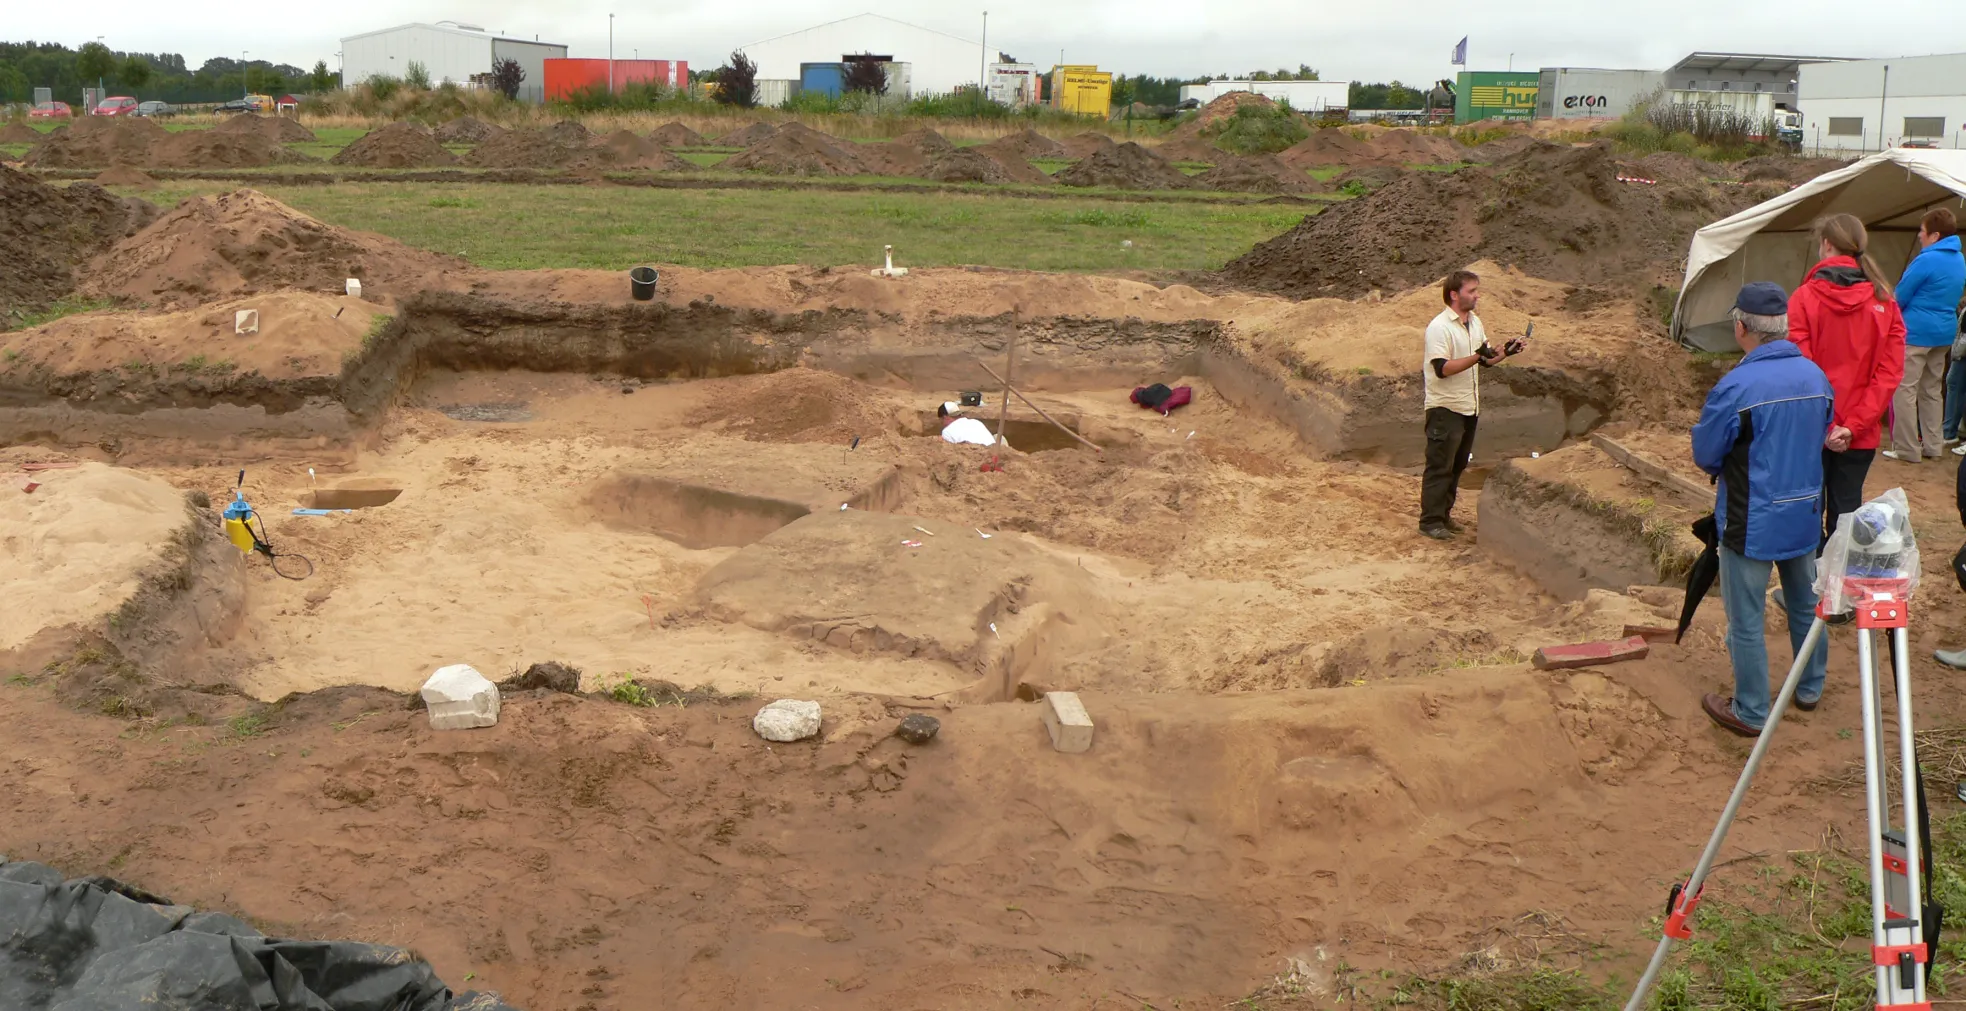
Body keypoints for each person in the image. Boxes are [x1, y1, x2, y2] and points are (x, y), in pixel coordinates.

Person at [1692, 282, 1836, 737]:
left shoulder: (1736, 385)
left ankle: (1751, 710)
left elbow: (1708, 453)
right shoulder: (1815, 375)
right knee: (1803, 603)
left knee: (1746, 618)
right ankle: (1809, 688)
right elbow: (1825, 427)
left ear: (1741, 327)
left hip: (1750, 519)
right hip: (1806, 512)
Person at [1789, 213, 1906, 549]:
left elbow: (1801, 368)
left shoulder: (1803, 298)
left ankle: (1806, 594)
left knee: (1808, 510)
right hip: (1859, 434)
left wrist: (1828, 425)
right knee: (1846, 513)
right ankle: (1837, 594)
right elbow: (1889, 374)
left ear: (1826, 244)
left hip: (1813, 428)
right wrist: (1853, 426)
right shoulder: (1886, 303)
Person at [1419, 269, 1525, 540]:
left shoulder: (1474, 322)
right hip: (1445, 408)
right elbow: (1442, 368)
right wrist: (1477, 357)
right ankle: (1430, 522)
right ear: (1454, 295)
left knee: (1456, 466)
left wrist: (1505, 352)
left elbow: (1485, 360)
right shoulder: (1439, 327)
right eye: (1472, 291)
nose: (1477, 295)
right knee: (1439, 467)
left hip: (1468, 407)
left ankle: (1444, 517)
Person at [1887, 208, 1966, 462]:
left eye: (1922, 231)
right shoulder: (1959, 259)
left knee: (1904, 389)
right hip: (1944, 332)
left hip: (1916, 333)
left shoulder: (1925, 260)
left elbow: (1901, 294)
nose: (1919, 236)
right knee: (1932, 389)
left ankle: (1907, 449)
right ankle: (1933, 445)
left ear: (1934, 234)